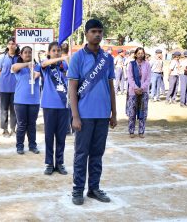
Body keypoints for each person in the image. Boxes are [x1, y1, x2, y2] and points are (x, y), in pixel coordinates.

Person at [68, 19, 117, 205]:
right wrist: (75, 116)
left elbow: (111, 86)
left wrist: (114, 113)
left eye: (100, 31)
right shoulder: (78, 58)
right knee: (81, 154)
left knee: (97, 154)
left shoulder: (108, 59)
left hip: (102, 115)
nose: (97, 34)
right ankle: (77, 190)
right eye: (93, 31)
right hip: (84, 116)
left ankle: (94, 188)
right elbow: (72, 88)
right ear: (86, 34)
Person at [40, 42, 69, 175]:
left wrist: (63, 60)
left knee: (61, 136)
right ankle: (49, 163)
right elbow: (44, 64)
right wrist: (61, 58)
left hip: (63, 104)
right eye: (54, 51)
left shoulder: (64, 65)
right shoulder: (46, 64)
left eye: (59, 50)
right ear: (49, 53)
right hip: (49, 104)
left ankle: (60, 163)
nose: (57, 52)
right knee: (49, 136)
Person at [11, 46, 41, 155]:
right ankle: (20, 146)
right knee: (22, 124)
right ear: (21, 55)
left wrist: (33, 70)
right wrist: (26, 64)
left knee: (32, 124)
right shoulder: (19, 67)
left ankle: (32, 145)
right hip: (20, 101)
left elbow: (36, 75)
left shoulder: (37, 66)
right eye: (26, 52)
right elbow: (13, 67)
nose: (28, 54)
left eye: (30, 52)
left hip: (34, 101)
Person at [126, 47, 151, 138]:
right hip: (133, 92)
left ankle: (141, 131)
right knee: (132, 112)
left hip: (143, 92)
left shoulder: (147, 64)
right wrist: (136, 88)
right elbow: (130, 78)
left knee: (143, 112)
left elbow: (148, 78)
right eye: (139, 53)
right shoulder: (131, 64)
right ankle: (131, 131)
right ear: (135, 54)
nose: (140, 55)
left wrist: (142, 88)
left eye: (142, 53)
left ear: (144, 54)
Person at [0, 37, 19, 137]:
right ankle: (4, 129)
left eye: (13, 43)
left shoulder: (19, 58)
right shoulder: (2, 57)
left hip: (16, 88)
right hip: (4, 87)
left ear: (16, 45)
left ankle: (13, 129)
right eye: (9, 43)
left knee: (14, 109)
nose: (11, 45)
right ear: (7, 45)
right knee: (4, 109)